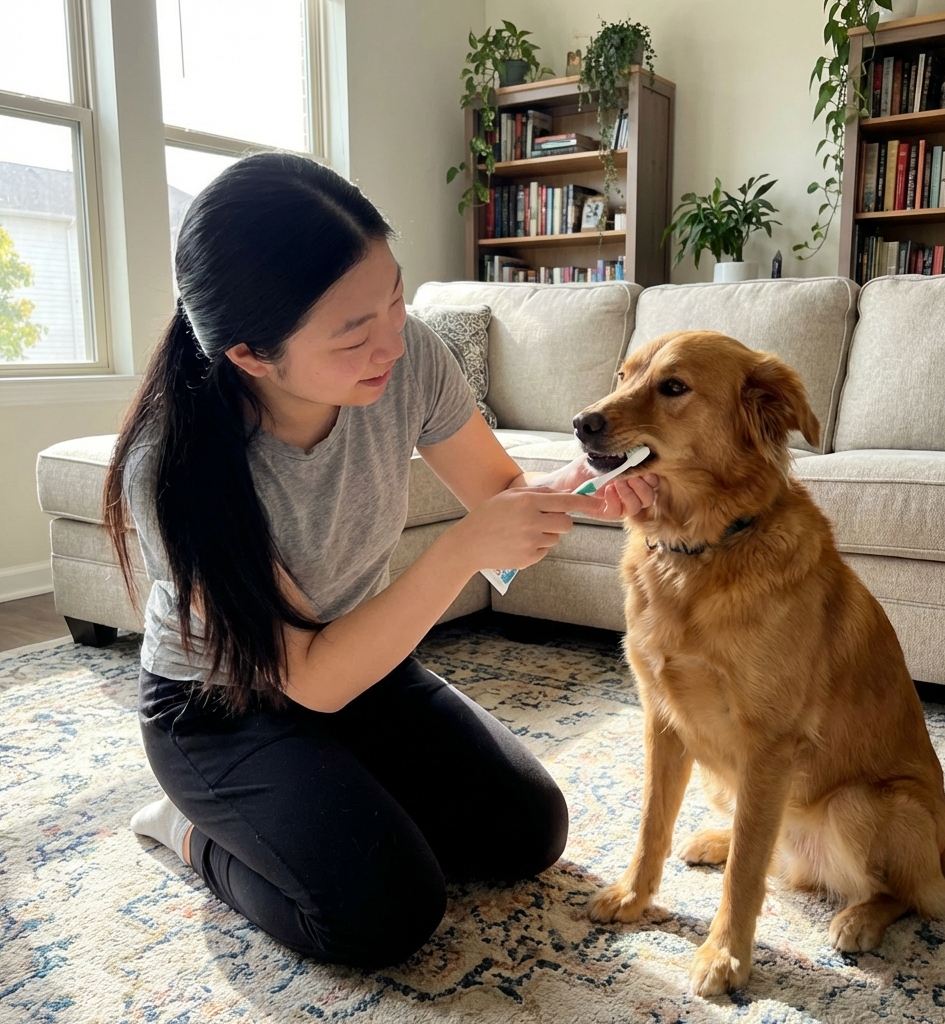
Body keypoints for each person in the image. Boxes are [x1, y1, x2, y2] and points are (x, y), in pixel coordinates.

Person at [103, 151, 658, 969]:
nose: (391, 341)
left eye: (394, 297)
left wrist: (582, 484)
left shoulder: (410, 358)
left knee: (526, 830)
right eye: (355, 332)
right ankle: (193, 832)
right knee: (384, 912)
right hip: (223, 708)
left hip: (362, 667)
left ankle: (323, 792)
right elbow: (311, 678)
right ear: (253, 355)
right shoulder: (175, 470)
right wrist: (462, 552)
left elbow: (497, 490)